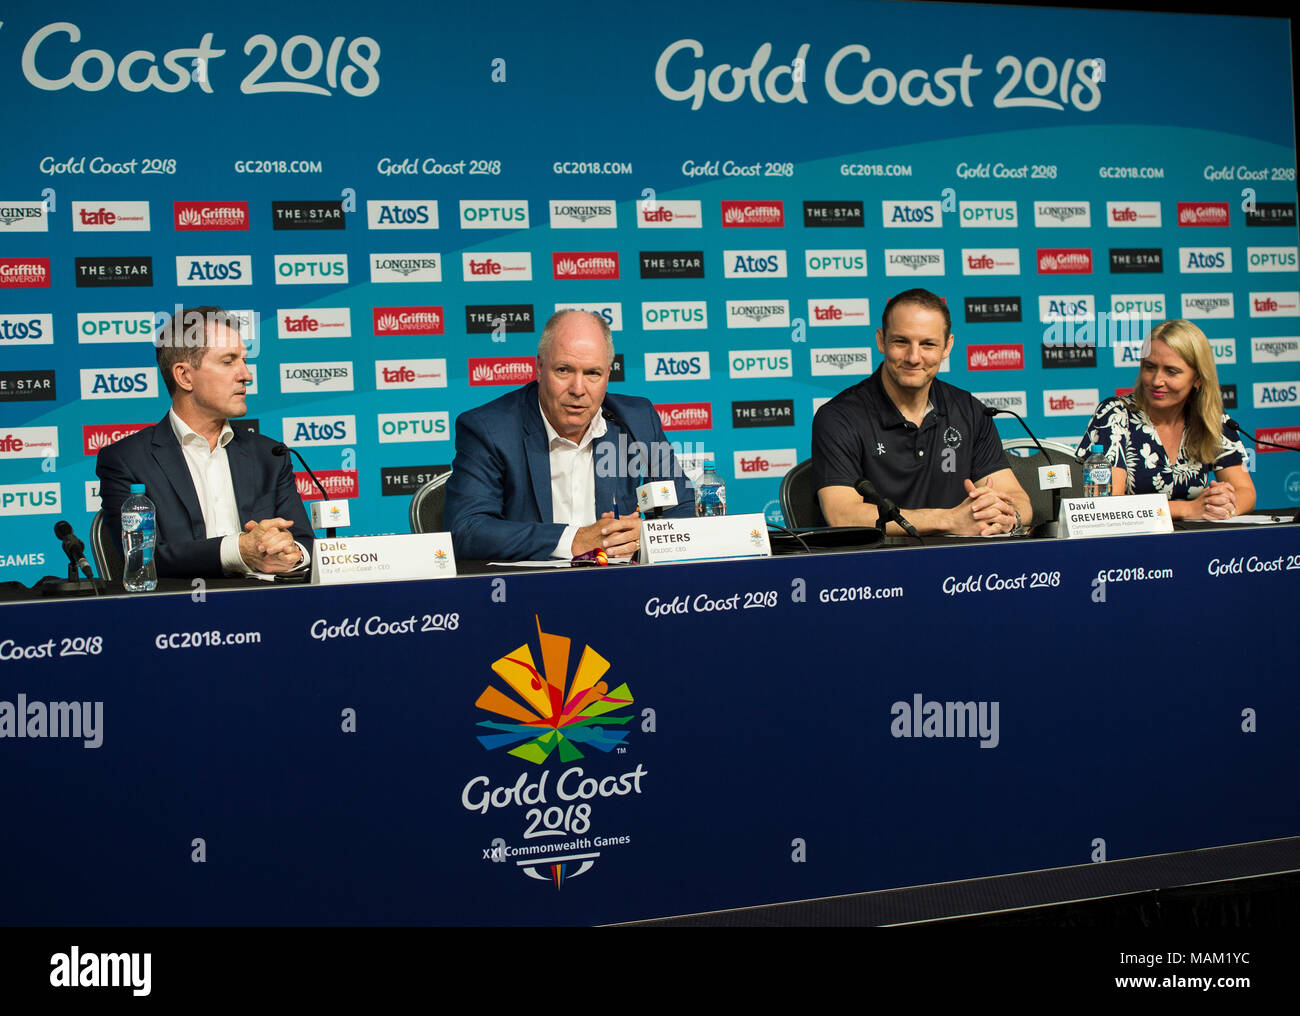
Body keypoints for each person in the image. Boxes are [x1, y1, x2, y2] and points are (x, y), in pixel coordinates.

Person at [444, 309, 694, 561]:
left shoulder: (635, 420)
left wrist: (647, 535)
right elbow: (467, 529)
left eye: (592, 373)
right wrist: (574, 540)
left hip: (619, 585)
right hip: (528, 590)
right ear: (540, 368)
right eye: (564, 370)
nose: (578, 389)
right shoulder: (489, 429)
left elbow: (683, 508)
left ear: (608, 375)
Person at [96, 306, 313, 578]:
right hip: (177, 612)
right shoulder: (127, 460)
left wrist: (291, 552)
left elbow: (306, 543)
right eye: (228, 361)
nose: (246, 375)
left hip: (267, 606)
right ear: (185, 376)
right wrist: (238, 551)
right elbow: (143, 559)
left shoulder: (270, 455)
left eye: (244, 360)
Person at [812, 288, 1032, 536]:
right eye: (901, 342)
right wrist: (949, 520)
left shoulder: (970, 410)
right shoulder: (839, 417)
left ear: (947, 346)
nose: (914, 357)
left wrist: (1006, 517)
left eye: (928, 344)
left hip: (961, 567)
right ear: (881, 341)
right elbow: (842, 515)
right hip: (876, 567)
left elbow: (1017, 499)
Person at [1076, 318, 1255, 519]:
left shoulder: (1211, 419)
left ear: (1198, 378)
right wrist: (1188, 509)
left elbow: (1246, 491)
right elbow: (1109, 504)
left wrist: (1223, 507)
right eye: (1150, 367)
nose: (1156, 381)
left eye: (1171, 371)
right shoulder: (1115, 414)